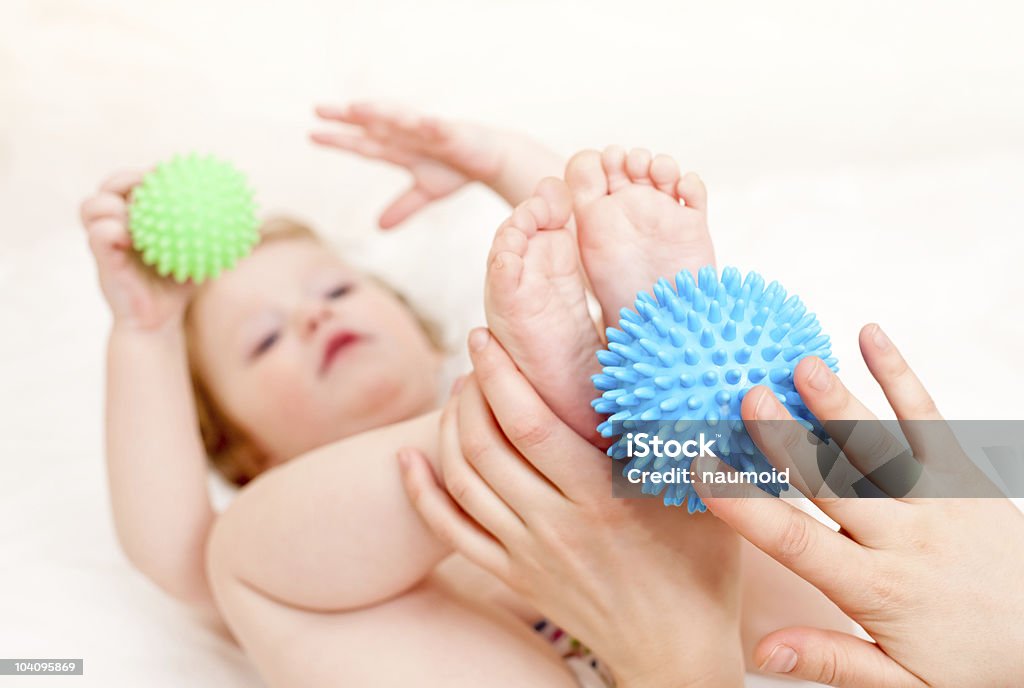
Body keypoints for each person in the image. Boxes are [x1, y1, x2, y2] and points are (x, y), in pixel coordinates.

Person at [400, 313, 1024, 684]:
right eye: (291, 331)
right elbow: (296, 561)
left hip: (706, 558)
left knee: (776, 561)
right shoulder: (381, 585)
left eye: (339, 288)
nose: (315, 319)